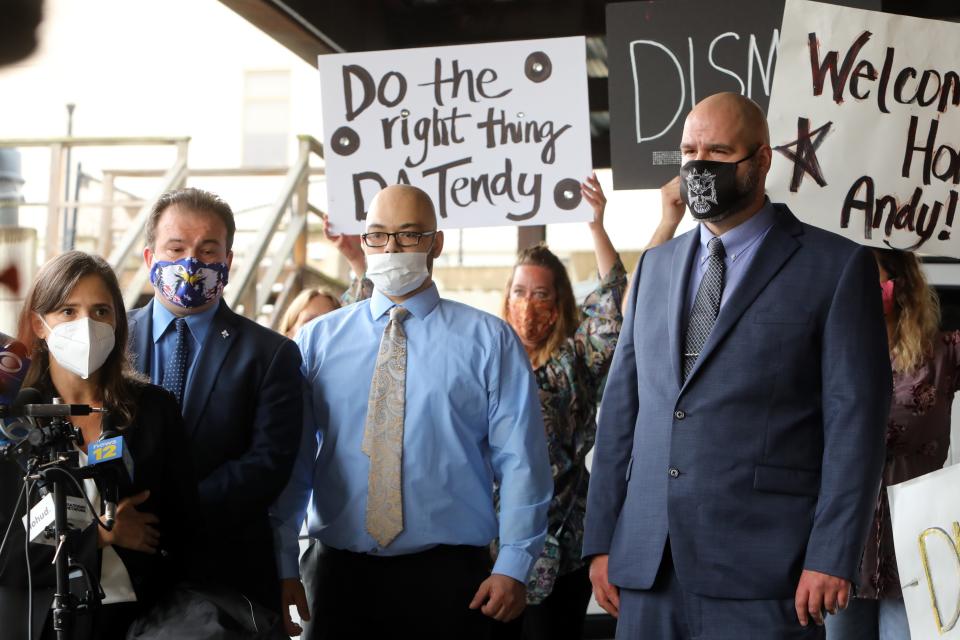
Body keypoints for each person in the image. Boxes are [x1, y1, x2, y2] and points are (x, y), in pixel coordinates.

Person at [583, 92, 892, 639]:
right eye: (689, 151)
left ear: (762, 159)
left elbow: (856, 426)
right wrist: (603, 538)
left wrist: (831, 553)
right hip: (647, 567)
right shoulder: (655, 267)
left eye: (719, 152)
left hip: (770, 571)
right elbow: (622, 414)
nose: (699, 166)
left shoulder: (835, 267)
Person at [271, 184, 553, 639]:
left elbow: (522, 462)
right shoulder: (317, 341)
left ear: (436, 243)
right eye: (378, 236)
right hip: (340, 577)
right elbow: (294, 466)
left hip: (455, 581)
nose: (392, 249)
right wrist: (283, 562)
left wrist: (515, 564)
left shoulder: (488, 340)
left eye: (408, 235)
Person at [0, 251, 198, 640]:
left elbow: (182, 524)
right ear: (39, 325)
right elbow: (6, 551)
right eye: (68, 312)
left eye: (101, 311)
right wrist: (100, 535)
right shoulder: (12, 419)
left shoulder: (153, 409)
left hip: (138, 619)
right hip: (36, 618)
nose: (86, 326)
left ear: (118, 321)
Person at [127, 187, 304, 615]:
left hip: (228, 574)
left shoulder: (269, 353)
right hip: (124, 569)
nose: (192, 262)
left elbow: (268, 463)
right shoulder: (114, 343)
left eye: (208, 250)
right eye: (176, 248)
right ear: (151, 259)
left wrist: (172, 510)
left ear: (227, 261)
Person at [487, 173, 625, 640]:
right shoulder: (485, 355)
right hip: (488, 543)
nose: (528, 305)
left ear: (559, 301)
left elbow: (612, 307)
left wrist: (596, 227)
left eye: (541, 294)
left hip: (558, 538)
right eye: (520, 292)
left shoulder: (575, 358)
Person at [826, 248, 958, 640]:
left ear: (897, 283)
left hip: (917, 548)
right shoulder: (827, 353)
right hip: (843, 547)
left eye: (868, 276)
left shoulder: (943, 354)